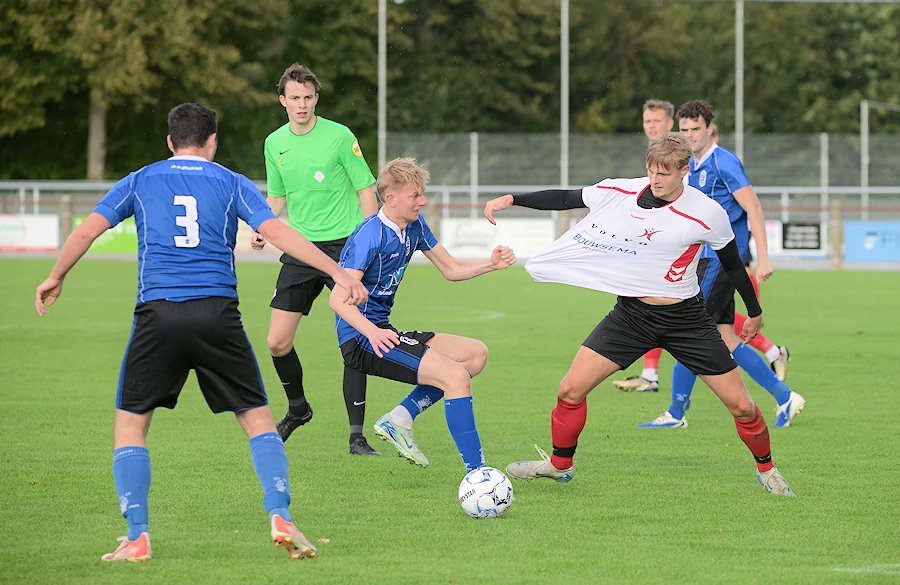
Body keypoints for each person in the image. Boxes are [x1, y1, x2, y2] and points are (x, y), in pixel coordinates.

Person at [34, 103, 370, 561]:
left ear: (170, 142)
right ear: (213, 141)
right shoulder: (232, 182)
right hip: (218, 314)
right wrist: (341, 272)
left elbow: (86, 232)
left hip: (159, 313)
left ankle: (137, 537)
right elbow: (280, 234)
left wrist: (56, 276)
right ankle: (280, 514)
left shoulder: (141, 179)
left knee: (131, 426)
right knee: (258, 420)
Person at [484, 133, 795, 496]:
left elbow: (733, 266)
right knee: (569, 390)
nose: (655, 179)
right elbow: (569, 197)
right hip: (631, 317)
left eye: (663, 173)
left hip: (687, 321)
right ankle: (559, 465)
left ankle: (768, 470)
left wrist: (754, 313)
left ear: (684, 170)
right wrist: (513, 199)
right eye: (650, 170)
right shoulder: (621, 192)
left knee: (742, 407)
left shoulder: (707, 212)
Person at [329, 157, 516, 471]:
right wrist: (372, 333)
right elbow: (338, 299)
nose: (423, 201)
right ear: (391, 198)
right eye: (415, 195)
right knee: (455, 377)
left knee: (474, 355)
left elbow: (451, 269)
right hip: (362, 340)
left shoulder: (413, 226)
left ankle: (399, 419)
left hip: (383, 331)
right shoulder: (369, 235)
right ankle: (478, 474)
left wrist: (490, 264)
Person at [638, 101, 804, 429]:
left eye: (695, 129)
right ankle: (784, 395)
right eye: (683, 130)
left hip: (721, 262)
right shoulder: (690, 165)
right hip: (704, 261)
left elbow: (753, 208)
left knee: (687, 329)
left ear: (709, 128)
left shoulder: (724, 162)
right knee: (725, 336)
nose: (689, 135)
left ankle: (675, 413)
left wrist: (764, 257)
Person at [252, 63, 380, 455]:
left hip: (345, 249)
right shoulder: (274, 143)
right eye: (295, 98)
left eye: (308, 98)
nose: (302, 105)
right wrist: (263, 225)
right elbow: (277, 196)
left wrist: (370, 240)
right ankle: (298, 408)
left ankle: (357, 435)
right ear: (283, 101)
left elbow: (365, 188)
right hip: (299, 249)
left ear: (316, 99)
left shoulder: (340, 136)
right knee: (276, 342)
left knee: (355, 338)